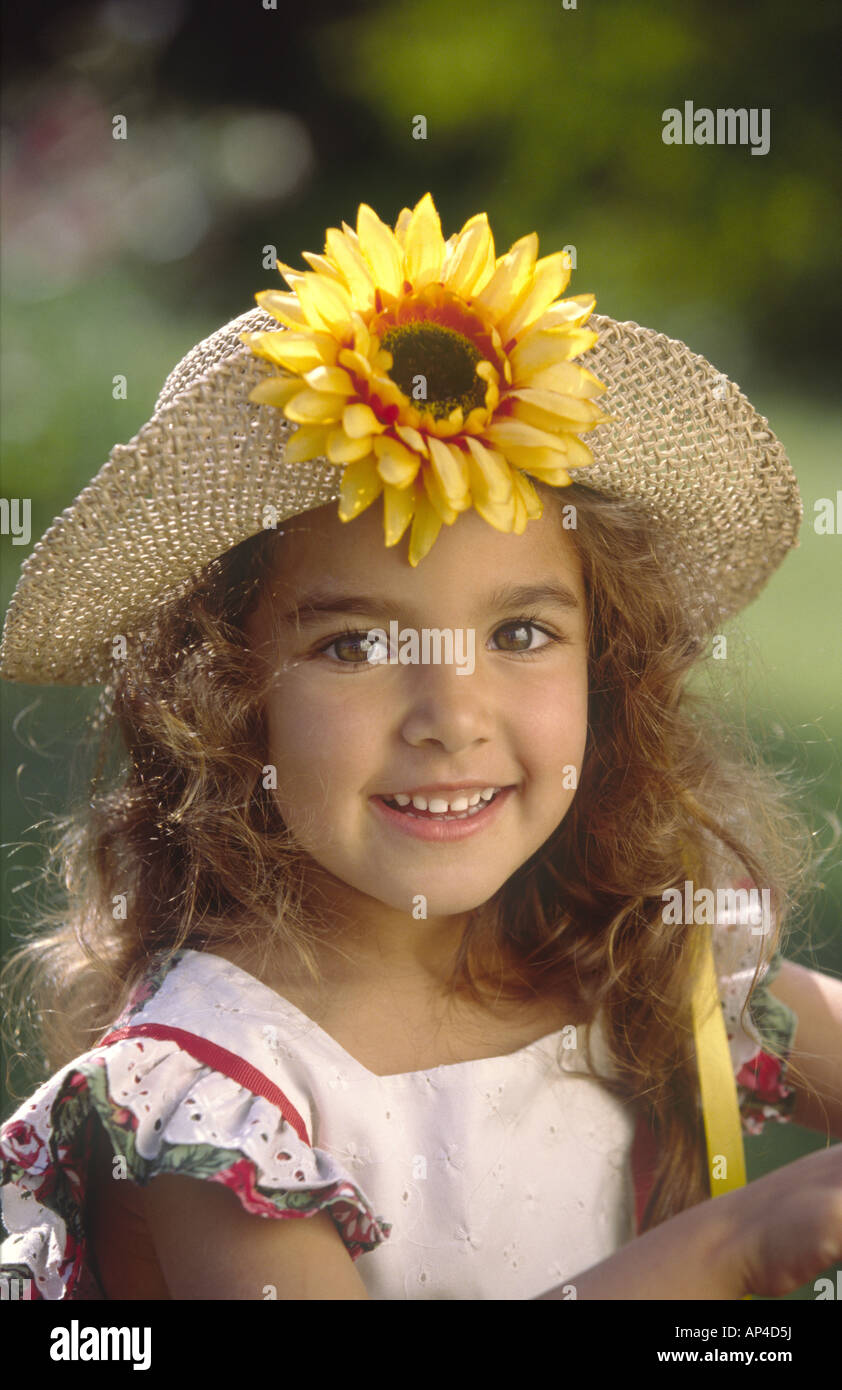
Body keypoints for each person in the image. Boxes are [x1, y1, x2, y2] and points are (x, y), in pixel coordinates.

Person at [0, 193, 840, 1302]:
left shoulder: (627, 963)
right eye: (353, 644)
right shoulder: (212, 1101)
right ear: (221, 700)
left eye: (521, 633)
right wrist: (726, 1250)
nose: (450, 712)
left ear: (606, 672)